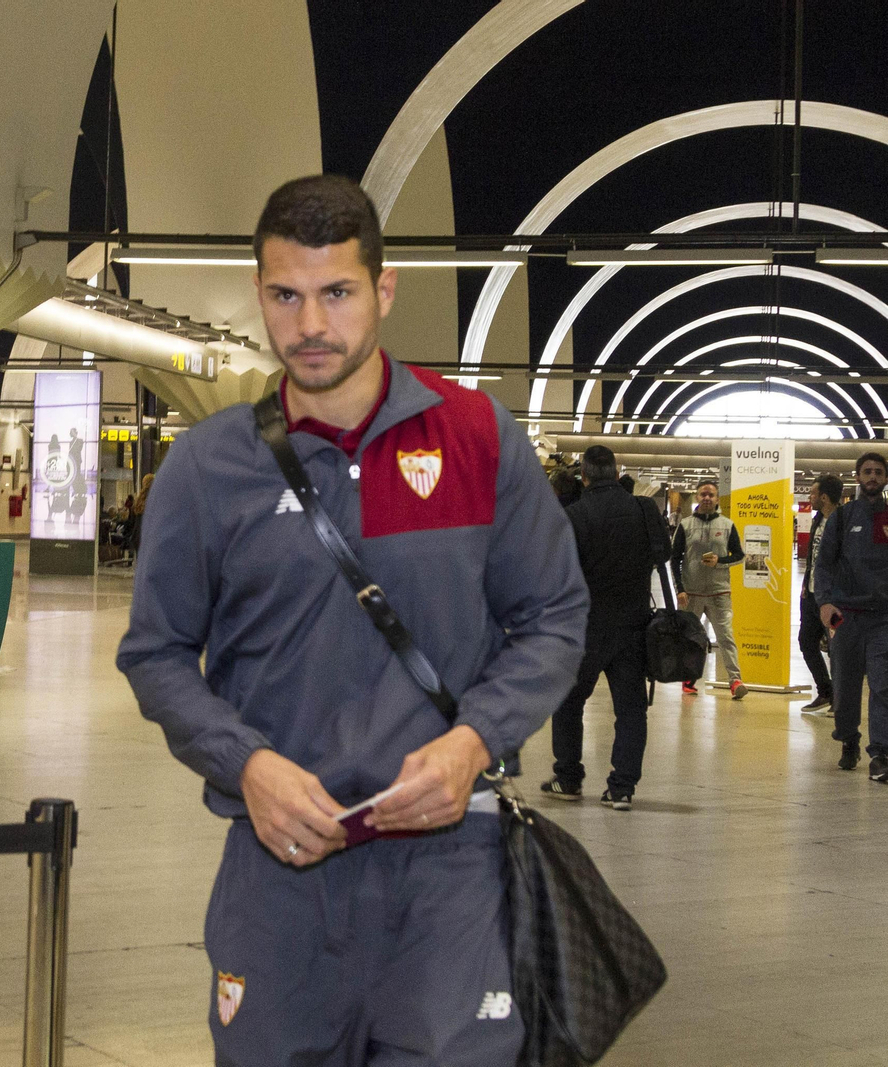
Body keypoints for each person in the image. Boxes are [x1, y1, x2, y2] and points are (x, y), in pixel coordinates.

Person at [116, 174, 588, 1066]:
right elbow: (157, 652)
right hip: (278, 870)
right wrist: (245, 762)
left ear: (384, 289)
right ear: (260, 294)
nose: (311, 325)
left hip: (451, 866)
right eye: (286, 296)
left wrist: (472, 742)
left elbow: (555, 614)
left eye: (336, 293)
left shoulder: (476, 438)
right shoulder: (208, 469)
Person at [540, 445, 671, 810]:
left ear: (583, 477)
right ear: (616, 474)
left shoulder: (574, 516)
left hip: (584, 627)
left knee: (568, 702)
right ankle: (622, 787)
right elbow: (664, 557)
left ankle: (568, 778)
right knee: (630, 709)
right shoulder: (642, 510)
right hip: (633, 625)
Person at [814, 452, 888, 777]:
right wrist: (825, 602)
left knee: (883, 685)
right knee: (844, 688)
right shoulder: (842, 518)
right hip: (845, 617)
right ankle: (848, 738)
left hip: (883, 619)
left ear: (885, 479)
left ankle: (881, 754)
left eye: (878, 472)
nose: (872, 477)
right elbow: (824, 564)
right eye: (867, 471)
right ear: (857, 477)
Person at [671, 479, 747, 698]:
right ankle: (688, 679)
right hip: (691, 593)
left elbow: (739, 556)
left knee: (726, 637)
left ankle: (735, 681)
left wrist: (720, 561)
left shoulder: (727, 525)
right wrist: (680, 588)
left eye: (711, 495)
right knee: (690, 639)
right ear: (696, 497)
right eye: (703, 494)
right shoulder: (685, 525)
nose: (707, 498)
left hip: (719, 592)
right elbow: (675, 559)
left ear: (716, 499)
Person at [798, 474, 844, 714]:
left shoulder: (843, 523)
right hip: (811, 595)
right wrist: (807, 583)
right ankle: (825, 691)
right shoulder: (817, 520)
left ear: (824, 497)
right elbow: (813, 558)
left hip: (834, 599)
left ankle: (840, 698)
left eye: (813, 494)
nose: (810, 497)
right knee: (806, 642)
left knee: (837, 647)